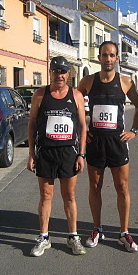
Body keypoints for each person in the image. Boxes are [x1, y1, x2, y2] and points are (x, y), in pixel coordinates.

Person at [78, 41, 138, 252]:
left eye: (112, 55)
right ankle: (97, 228)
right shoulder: (87, 81)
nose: (108, 59)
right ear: (99, 57)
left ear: (117, 58)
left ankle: (124, 233)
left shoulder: (125, 81)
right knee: (94, 187)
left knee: (122, 187)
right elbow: (75, 104)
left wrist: (134, 131)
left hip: (117, 142)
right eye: (104, 55)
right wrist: (83, 131)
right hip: (95, 142)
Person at [27, 56, 87, 256]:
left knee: (69, 196)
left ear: (68, 74)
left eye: (63, 71)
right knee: (45, 195)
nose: (59, 75)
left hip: (68, 152)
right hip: (45, 152)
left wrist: (81, 155)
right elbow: (32, 123)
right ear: (50, 72)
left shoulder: (76, 95)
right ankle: (44, 238)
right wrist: (31, 153)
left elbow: (82, 126)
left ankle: (73, 236)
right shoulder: (40, 95)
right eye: (56, 71)